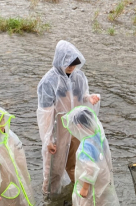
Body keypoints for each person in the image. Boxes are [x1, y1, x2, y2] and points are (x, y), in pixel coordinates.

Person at [37, 41, 100, 196]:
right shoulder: (48, 82)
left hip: (76, 127)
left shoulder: (78, 77)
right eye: (69, 65)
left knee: (76, 162)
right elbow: (45, 113)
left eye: (74, 65)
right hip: (59, 129)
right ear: (60, 61)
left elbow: (81, 95)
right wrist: (48, 139)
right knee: (54, 167)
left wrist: (89, 98)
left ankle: (78, 192)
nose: (72, 68)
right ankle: (50, 197)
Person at [61, 106, 121, 206]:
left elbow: (90, 169)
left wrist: (84, 188)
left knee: (90, 201)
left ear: (78, 126)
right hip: (103, 174)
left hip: (93, 179)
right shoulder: (98, 134)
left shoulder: (86, 146)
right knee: (101, 198)